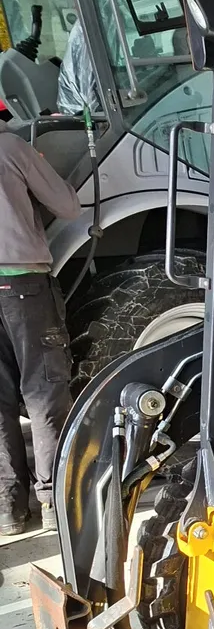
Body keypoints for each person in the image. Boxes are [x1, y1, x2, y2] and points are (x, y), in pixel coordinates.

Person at [0, 130, 82, 534]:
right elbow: (68, 207)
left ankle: (8, 508)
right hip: (23, 287)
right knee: (43, 389)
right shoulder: (12, 147)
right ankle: (52, 501)